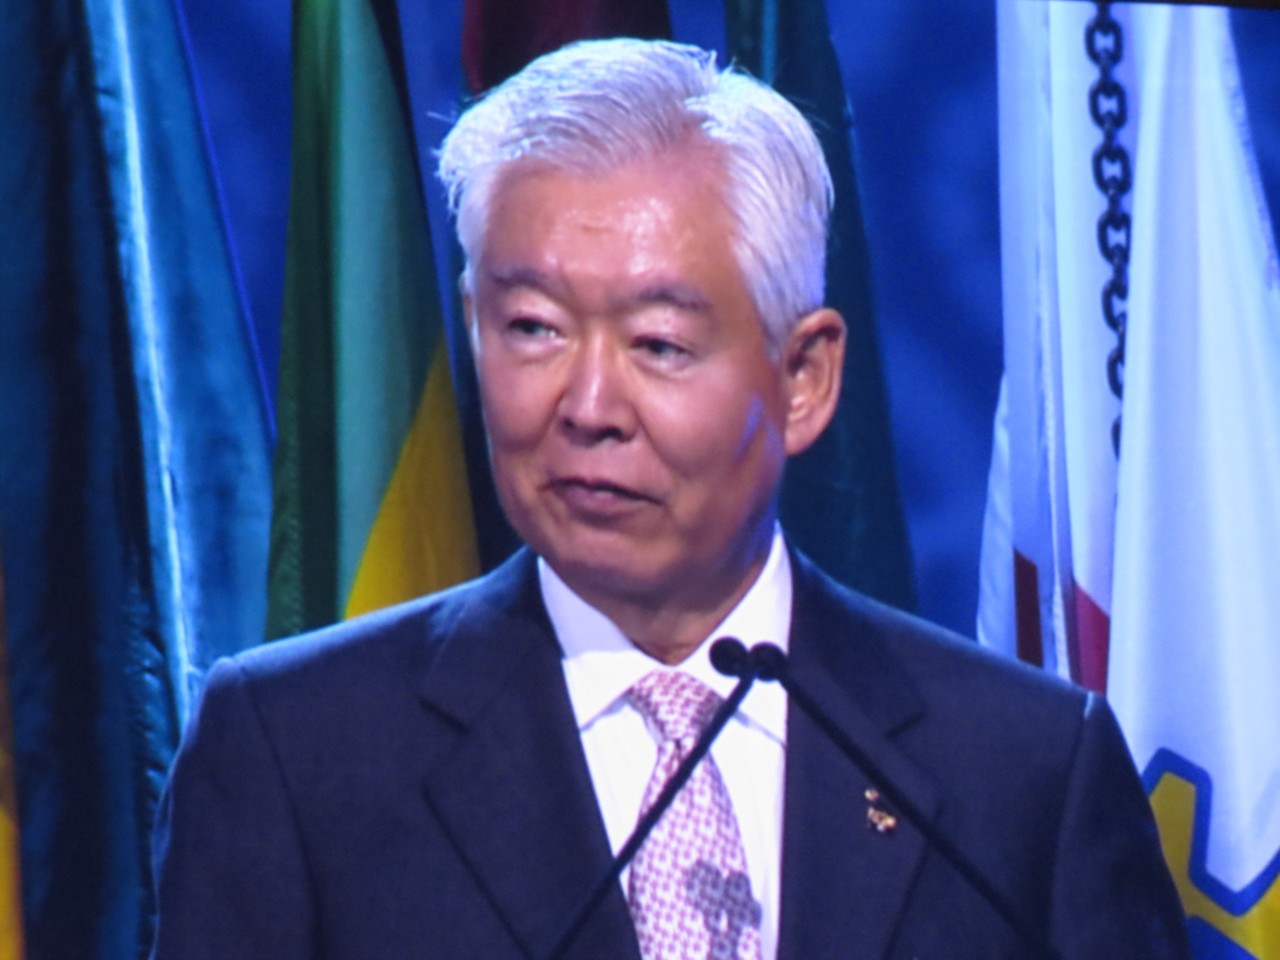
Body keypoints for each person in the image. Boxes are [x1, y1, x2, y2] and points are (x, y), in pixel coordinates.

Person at [150, 38, 1190, 960]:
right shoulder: (299, 754)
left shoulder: (1022, 772)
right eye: (531, 330)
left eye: (658, 344)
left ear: (803, 378)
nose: (588, 407)